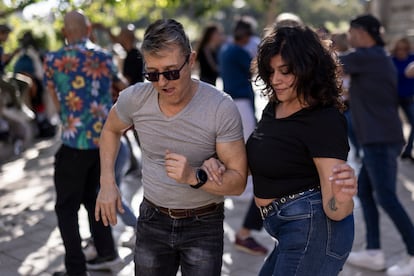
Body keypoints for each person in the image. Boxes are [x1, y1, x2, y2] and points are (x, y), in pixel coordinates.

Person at [94, 18, 248, 276]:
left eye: (171, 71)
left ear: (191, 60)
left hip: (204, 224)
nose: (163, 82)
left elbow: (238, 181)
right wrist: (108, 183)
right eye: (152, 74)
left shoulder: (220, 107)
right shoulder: (136, 98)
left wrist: (192, 176)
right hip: (152, 219)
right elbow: (110, 130)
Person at [43, 10, 125, 276]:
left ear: (65, 33)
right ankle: (106, 252)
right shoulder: (103, 56)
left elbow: (54, 100)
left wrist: (69, 117)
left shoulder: (53, 60)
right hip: (105, 143)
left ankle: (76, 269)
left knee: (66, 209)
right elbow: (121, 87)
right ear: (89, 28)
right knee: (95, 200)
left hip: (74, 143)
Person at [340, 14, 414, 275]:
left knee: (387, 197)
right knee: (366, 194)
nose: (348, 37)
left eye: (350, 32)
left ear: (360, 31)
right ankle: (374, 252)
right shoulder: (374, 57)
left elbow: (330, 64)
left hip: (380, 141)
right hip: (378, 139)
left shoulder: (367, 56)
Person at [331, 31, 361, 160]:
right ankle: (357, 150)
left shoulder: (346, 58)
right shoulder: (338, 57)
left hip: (348, 100)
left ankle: (359, 149)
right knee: (348, 128)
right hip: (341, 100)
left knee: (351, 128)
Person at [391, 37, 414, 162]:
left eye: (404, 49)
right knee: (395, 123)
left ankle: (408, 150)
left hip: (409, 96)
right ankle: (400, 145)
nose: (401, 51)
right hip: (393, 97)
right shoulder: (391, 60)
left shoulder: (412, 58)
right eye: (399, 49)